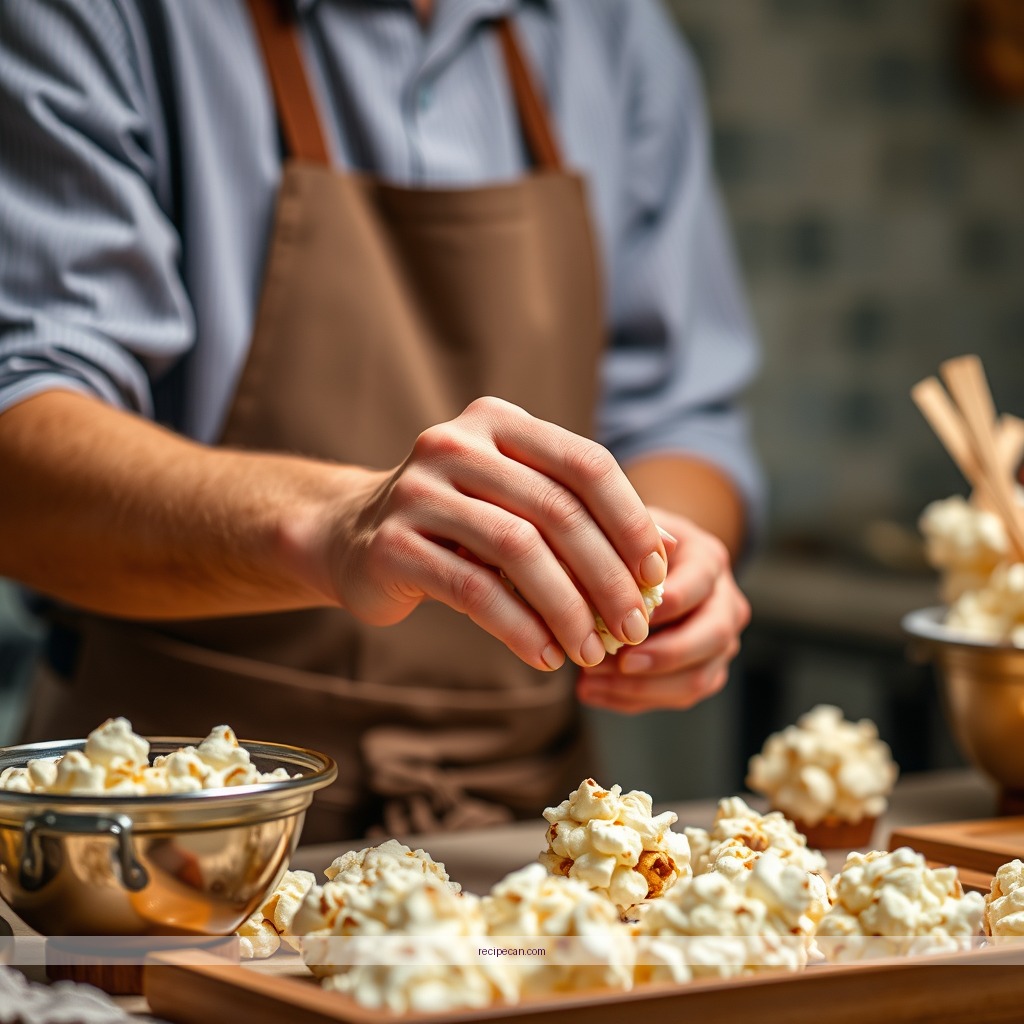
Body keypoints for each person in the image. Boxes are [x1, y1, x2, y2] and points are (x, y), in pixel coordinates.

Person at [0, 0, 761, 840]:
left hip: (523, 827)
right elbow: (20, 448)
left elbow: (681, 415)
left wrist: (656, 551)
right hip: (167, 818)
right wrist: (333, 523)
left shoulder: (610, 30)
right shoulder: (99, 17)